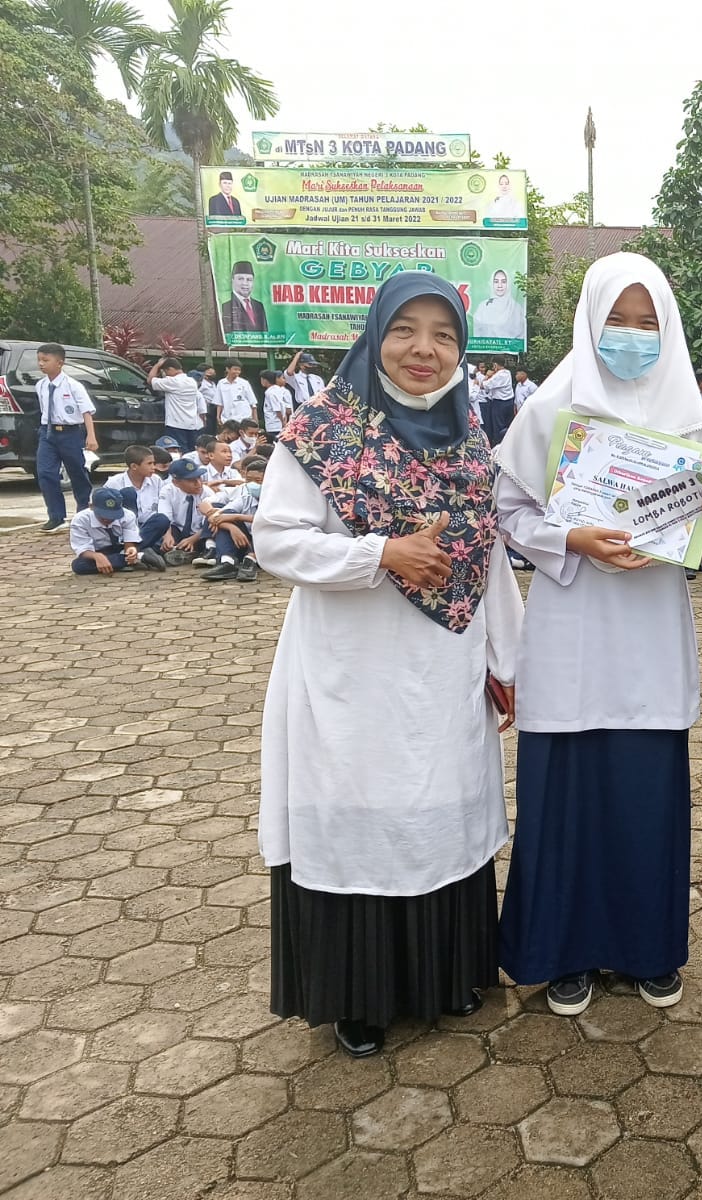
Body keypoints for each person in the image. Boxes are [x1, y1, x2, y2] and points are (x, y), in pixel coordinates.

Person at [254, 271, 522, 1059]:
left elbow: (490, 561)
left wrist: (506, 660)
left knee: (440, 807)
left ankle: (448, 974)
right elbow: (276, 540)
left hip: (444, 668)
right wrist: (380, 554)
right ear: (375, 335)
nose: (423, 349)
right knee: (362, 812)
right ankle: (357, 996)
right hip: (353, 668)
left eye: (444, 335)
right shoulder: (322, 430)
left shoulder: (469, 440)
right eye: (405, 329)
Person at [494, 253, 702, 1015]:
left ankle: (646, 950)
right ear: (590, 321)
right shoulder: (549, 409)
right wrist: (573, 540)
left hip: (650, 633)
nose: (631, 336)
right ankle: (563, 952)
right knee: (567, 796)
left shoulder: (685, 417)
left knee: (643, 797)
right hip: (573, 627)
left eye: (647, 322)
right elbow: (509, 513)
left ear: (669, 329)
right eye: (616, 320)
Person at [33, 342, 99, 532]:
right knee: (45, 473)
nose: (41, 364)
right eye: (39, 360)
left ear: (60, 362)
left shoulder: (73, 385)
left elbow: (86, 411)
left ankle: (83, 512)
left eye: (46, 360)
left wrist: (91, 436)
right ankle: (56, 516)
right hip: (47, 433)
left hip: (70, 433)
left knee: (77, 472)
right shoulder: (41, 385)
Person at [201, 456, 267, 582]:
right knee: (225, 516)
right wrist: (231, 527)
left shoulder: (279, 499)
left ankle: (250, 560)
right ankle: (228, 562)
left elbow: (270, 520)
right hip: (245, 540)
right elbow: (216, 516)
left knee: (266, 528)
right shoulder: (246, 498)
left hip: (269, 543)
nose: (252, 484)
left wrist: (237, 516)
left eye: (258, 480)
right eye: (248, 480)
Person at [70, 488, 166, 574]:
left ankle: (127, 560)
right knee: (79, 565)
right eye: (103, 515)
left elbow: (130, 542)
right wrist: (97, 556)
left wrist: (131, 550)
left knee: (161, 520)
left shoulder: (128, 515)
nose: (108, 519)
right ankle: (140, 556)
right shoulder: (80, 520)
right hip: (101, 551)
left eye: (113, 515)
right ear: (91, 506)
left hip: (123, 547)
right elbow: (82, 548)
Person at [104, 445, 171, 552]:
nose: (153, 467)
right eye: (149, 464)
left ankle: (132, 551)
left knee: (162, 519)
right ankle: (140, 550)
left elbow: (163, 508)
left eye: (154, 463)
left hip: (148, 528)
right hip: (123, 529)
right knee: (127, 493)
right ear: (134, 466)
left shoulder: (156, 480)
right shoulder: (114, 483)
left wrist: (167, 534)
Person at [156, 457, 211, 565]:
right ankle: (173, 551)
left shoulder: (207, 493)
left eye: (199, 478)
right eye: (191, 480)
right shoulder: (168, 491)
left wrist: (193, 539)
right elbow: (165, 517)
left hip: (199, 533)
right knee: (161, 536)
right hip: (178, 529)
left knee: (210, 537)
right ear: (176, 482)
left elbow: (211, 522)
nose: (198, 483)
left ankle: (193, 553)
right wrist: (167, 536)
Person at [144, 357, 205, 452]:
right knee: (191, 451)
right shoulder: (192, 381)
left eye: (165, 371)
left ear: (170, 369)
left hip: (176, 424)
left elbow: (150, 380)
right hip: (191, 423)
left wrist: (157, 365)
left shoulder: (173, 382)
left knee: (178, 451)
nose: (166, 374)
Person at [473, 270, 527, 340]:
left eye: (503, 282)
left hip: (510, 347)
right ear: (491, 283)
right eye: (496, 282)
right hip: (486, 346)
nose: (500, 286)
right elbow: (477, 333)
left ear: (508, 284)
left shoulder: (516, 308)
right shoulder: (483, 307)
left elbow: (521, 335)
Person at [221, 263, 268, 337]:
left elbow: (265, 333)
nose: (245, 283)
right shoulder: (225, 307)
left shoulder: (259, 306)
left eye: (249, 280)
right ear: (232, 280)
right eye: (240, 279)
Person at [479, 356, 516, 445]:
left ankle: (499, 445)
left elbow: (483, 385)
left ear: (495, 365)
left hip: (499, 404)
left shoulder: (499, 375)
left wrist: (487, 376)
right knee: (508, 426)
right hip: (509, 402)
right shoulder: (508, 373)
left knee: (498, 427)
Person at [262, 371, 294, 436]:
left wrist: (283, 423)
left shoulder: (271, 392)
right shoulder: (278, 390)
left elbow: (278, 410)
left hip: (274, 425)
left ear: (265, 380)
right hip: (279, 424)